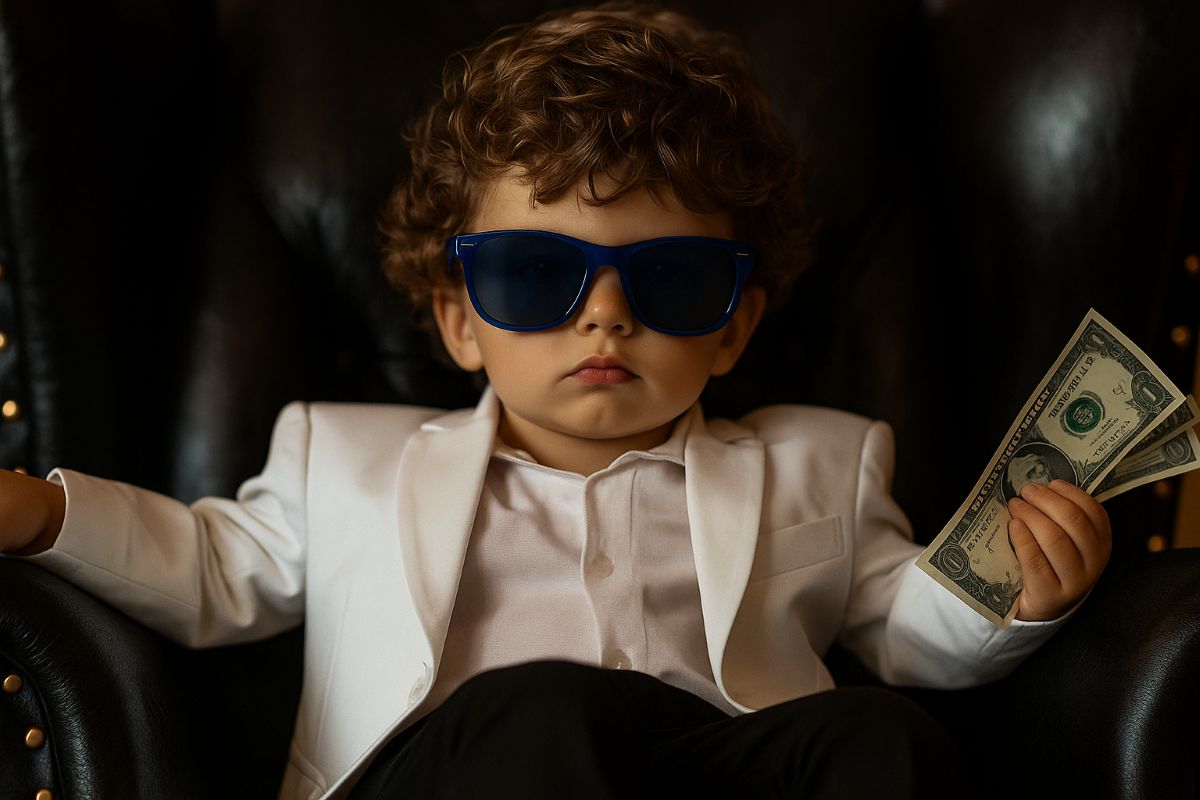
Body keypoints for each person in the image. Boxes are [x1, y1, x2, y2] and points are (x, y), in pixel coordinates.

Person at [0, 4, 1111, 799]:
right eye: (538, 276)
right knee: (543, 711)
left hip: (712, 767)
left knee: (882, 735)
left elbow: (907, 630)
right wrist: (48, 513)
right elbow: (207, 567)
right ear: (459, 320)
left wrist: (1015, 592)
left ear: (733, 326)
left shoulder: (820, 461)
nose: (605, 317)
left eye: (670, 282)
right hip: (459, 768)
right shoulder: (341, 458)